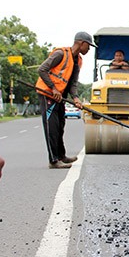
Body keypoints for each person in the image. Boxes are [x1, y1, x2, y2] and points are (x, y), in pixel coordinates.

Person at [36, 31, 96, 169]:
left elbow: (72, 83)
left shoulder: (78, 60)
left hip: (60, 97)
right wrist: (53, 89)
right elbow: (42, 69)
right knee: (51, 128)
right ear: (82, 43)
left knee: (60, 126)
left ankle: (61, 156)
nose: (89, 49)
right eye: (89, 46)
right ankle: (53, 160)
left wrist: (75, 98)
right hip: (47, 94)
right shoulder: (61, 54)